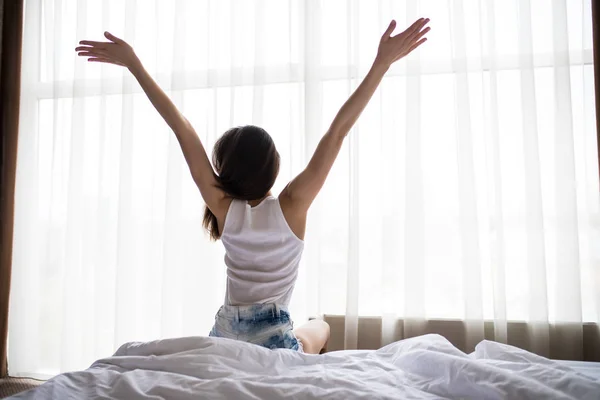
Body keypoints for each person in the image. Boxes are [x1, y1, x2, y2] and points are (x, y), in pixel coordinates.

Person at [76, 17, 430, 354]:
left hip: (226, 336)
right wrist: (381, 64)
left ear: (226, 170)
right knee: (319, 326)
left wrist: (135, 64)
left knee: (309, 327)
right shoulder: (292, 204)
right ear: (273, 167)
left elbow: (181, 127)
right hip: (274, 340)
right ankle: (308, 359)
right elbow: (337, 132)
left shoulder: (225, 208)